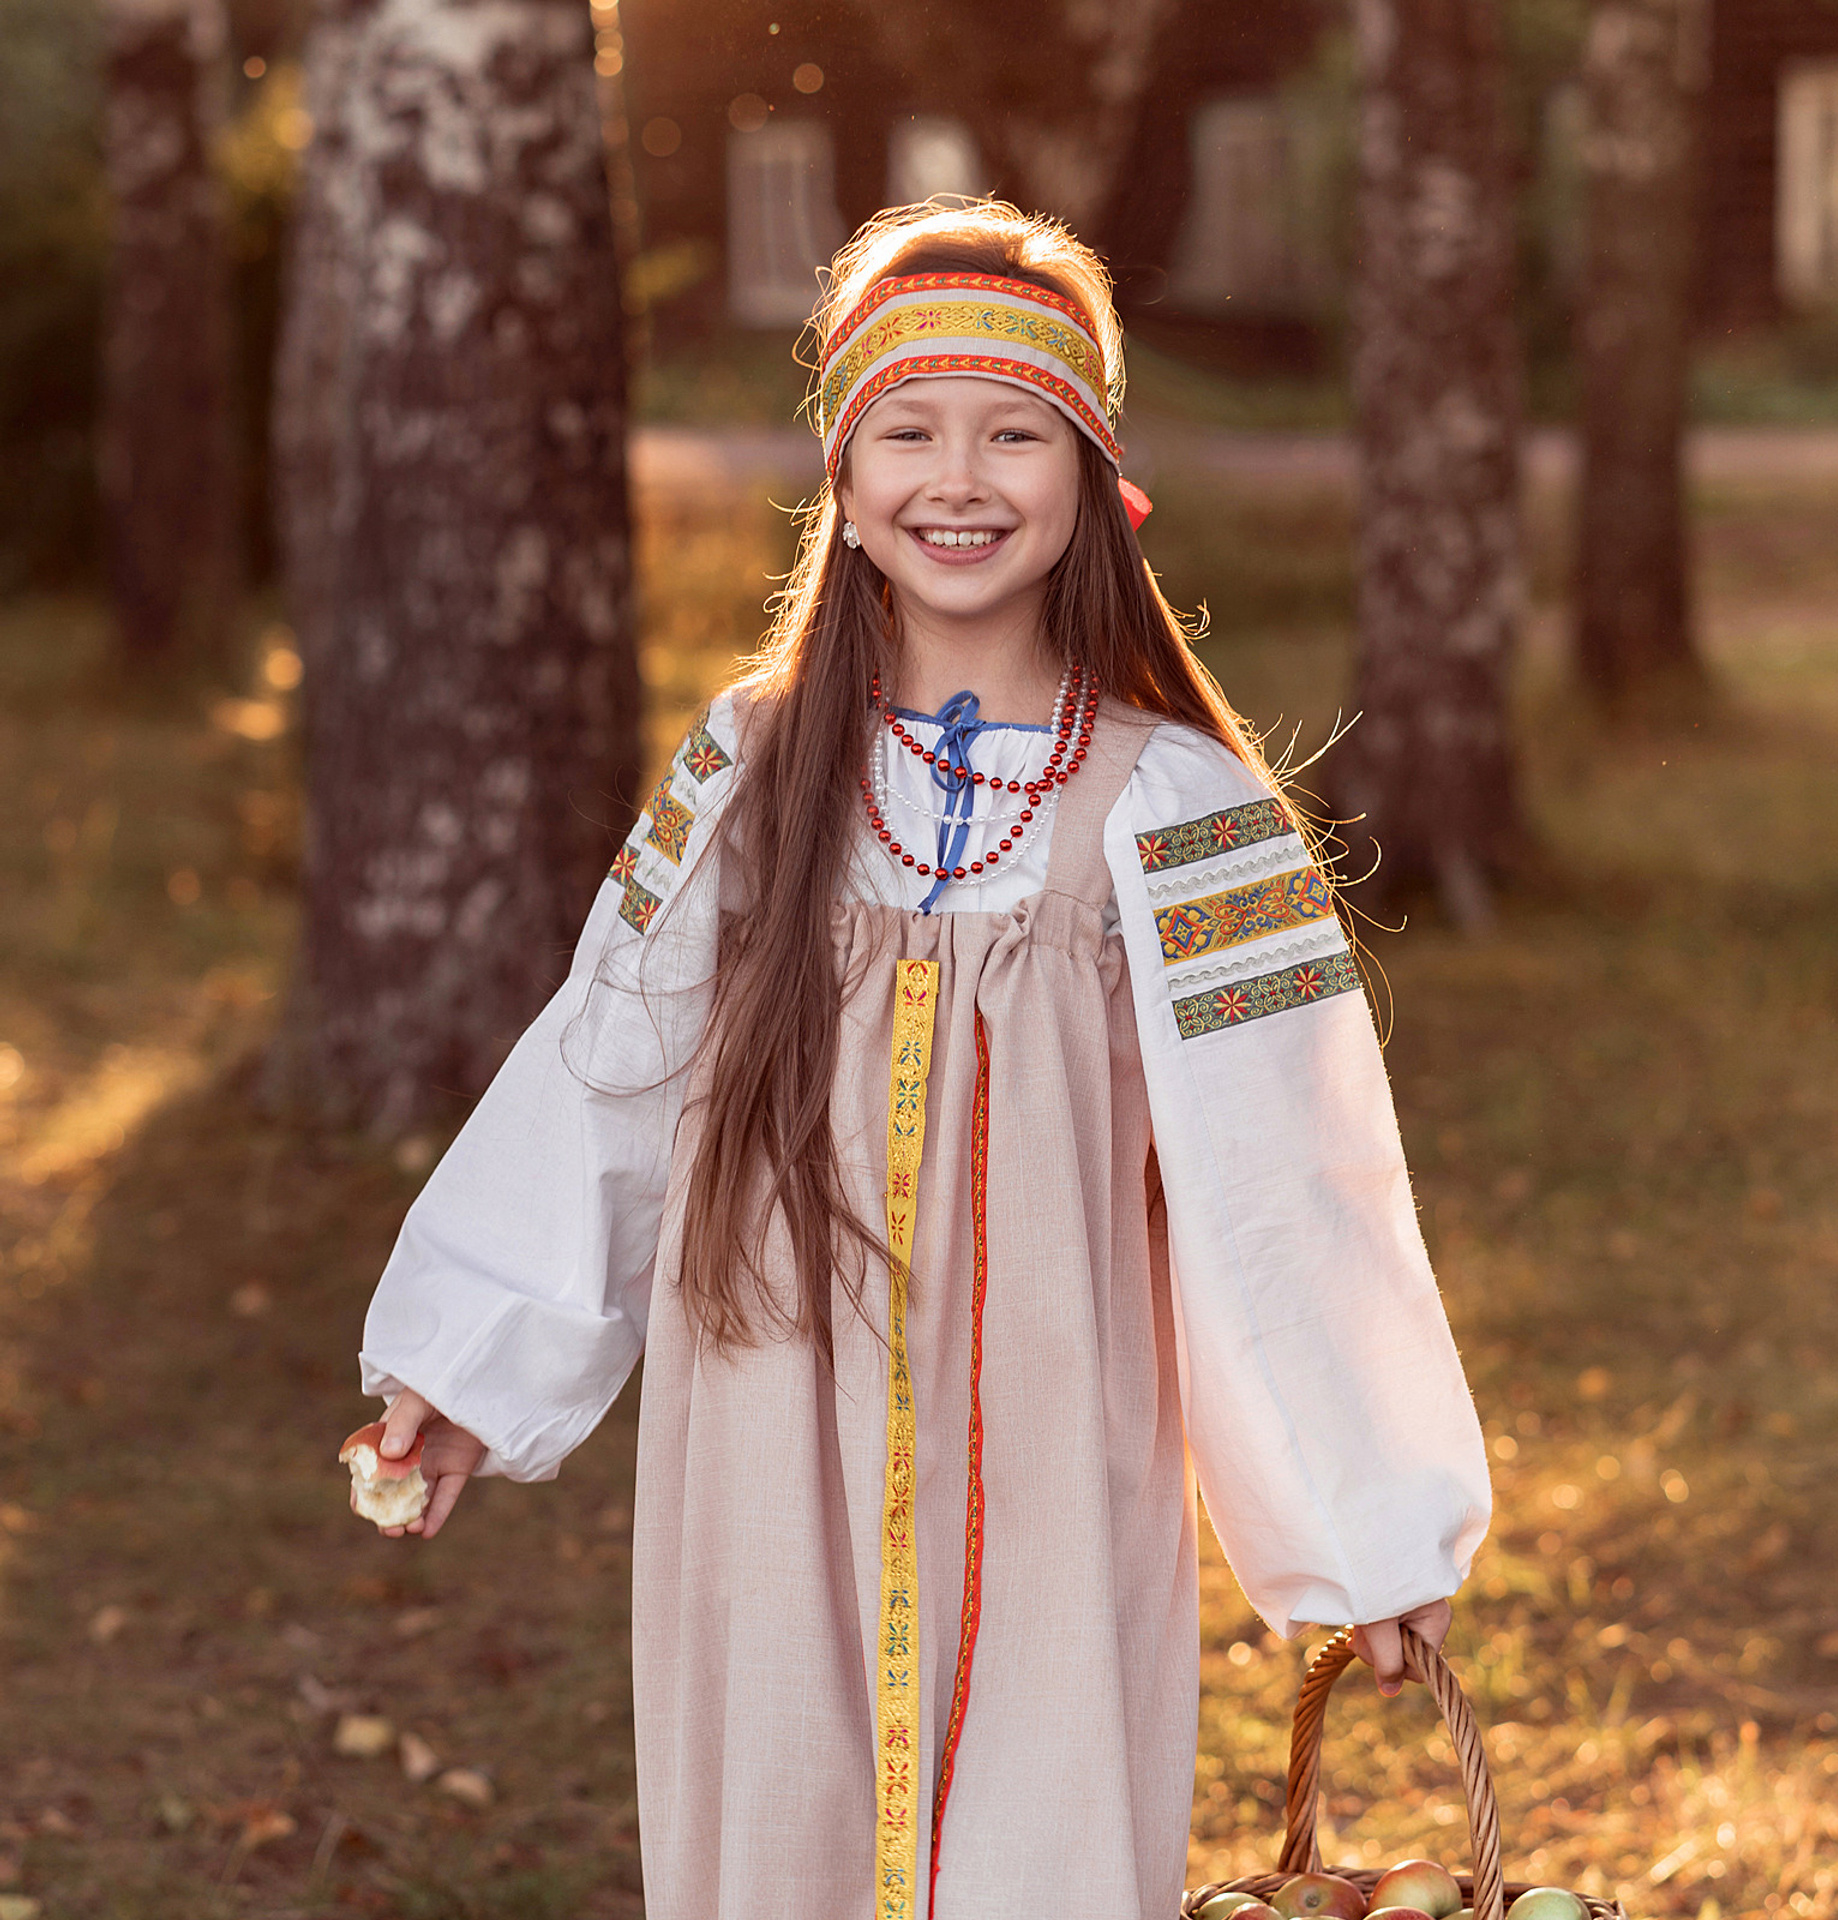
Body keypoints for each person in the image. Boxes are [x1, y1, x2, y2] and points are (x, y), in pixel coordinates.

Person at [356, 199, 1492, 1920]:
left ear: (1093, 471)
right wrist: (475, 1356)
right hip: (767, 1405)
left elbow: (1290, 1174)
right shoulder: (750, 768)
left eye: (1014, 432)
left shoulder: (1179, 803)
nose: (958, 477)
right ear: (844, 472)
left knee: (1042, 1826)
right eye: (909, 431)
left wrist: (1369, 1520)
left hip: (1056, 1420)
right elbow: (607, 1066)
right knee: (782, 1817)